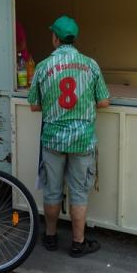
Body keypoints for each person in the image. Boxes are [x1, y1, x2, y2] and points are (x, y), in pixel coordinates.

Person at [27, 15, 110, 258]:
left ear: (55, 38)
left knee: (52, 192)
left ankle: (50, 237)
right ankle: (77, 243)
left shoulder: (42, 66)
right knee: (79, 193)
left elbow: (33, 105)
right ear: (73, 38)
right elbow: (104, 101)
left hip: (53, 140)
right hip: (82, 141)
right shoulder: (90, 65)